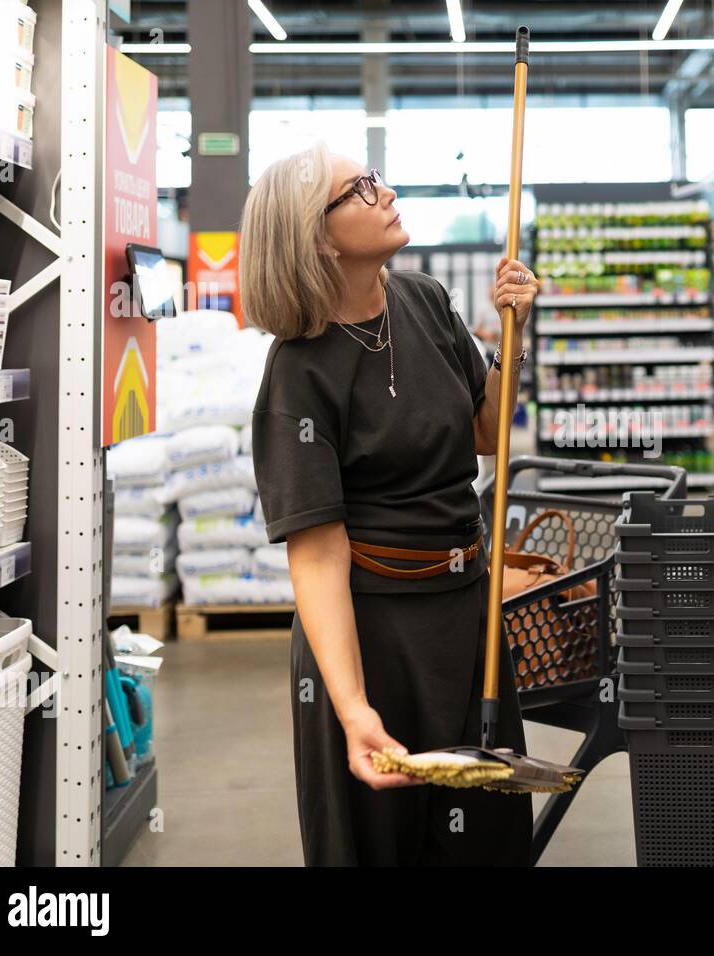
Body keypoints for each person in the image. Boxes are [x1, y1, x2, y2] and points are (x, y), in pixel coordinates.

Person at [239, 141, 540, 866]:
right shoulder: (298, 374)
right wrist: (352, 709)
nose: (385, 191)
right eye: (360, 188)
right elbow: (316, 557)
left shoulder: (425, 299)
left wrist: (514, 334)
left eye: (375, 179)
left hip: (464, 611)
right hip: (371, 634)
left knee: (486, 835)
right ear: (316, 235)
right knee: (378, 843)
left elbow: (486, 432)